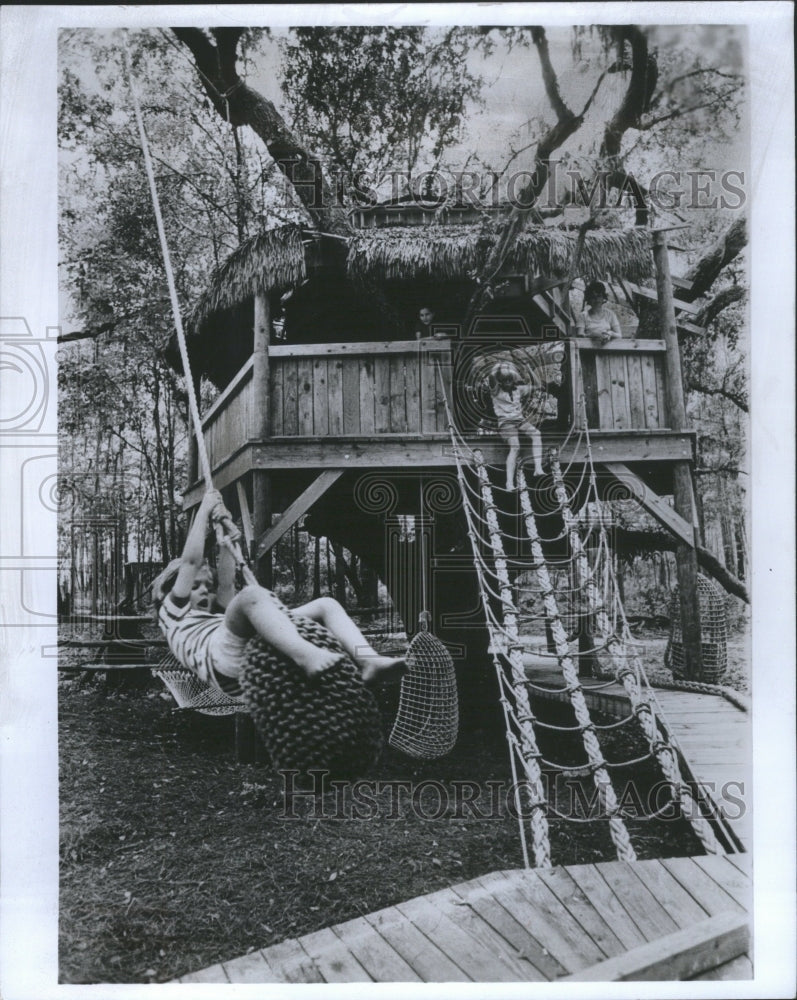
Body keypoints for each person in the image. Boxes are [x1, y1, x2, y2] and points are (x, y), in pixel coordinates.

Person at [152, 490, 405, 696]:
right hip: (221, 662)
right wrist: (205, 508)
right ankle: (307, 655)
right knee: (251, 596)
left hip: (244, 657)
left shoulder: (215, 615)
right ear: (168, 591)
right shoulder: (173, 613)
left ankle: (369, 660)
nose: (204, 592)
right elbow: (190, 563)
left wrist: (229, 538)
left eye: (206, 586)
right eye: (195, 587)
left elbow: (227, 584)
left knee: (326, 605)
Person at [488, 362, 545, 490]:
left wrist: (530, 369)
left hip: (519, 420)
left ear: (513, 380)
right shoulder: (496, 390)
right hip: (505, 422)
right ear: (501, 381)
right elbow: (491, 378)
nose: (507, 382)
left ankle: (538, 468)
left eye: (509, 379)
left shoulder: (519, 389)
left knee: (536, 434)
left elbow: (537, 385)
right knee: (515, 447)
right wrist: (500, 368)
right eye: (504, 380)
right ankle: (509, 483)